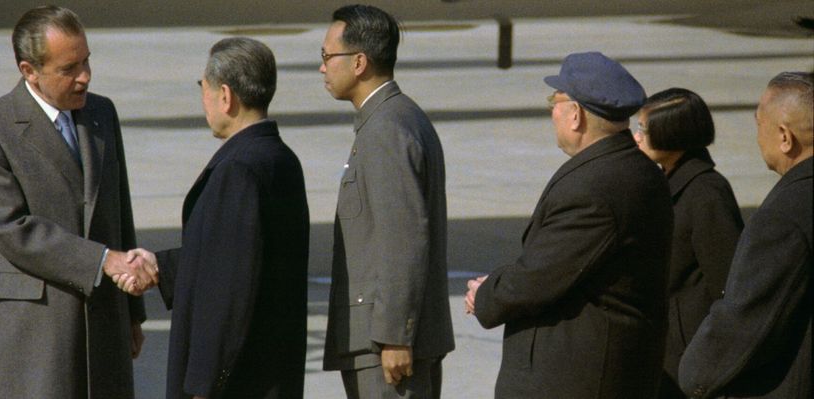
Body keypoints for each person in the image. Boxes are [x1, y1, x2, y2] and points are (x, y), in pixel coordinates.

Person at [0, 6, 156, 399]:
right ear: (29, 70)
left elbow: (118, 210)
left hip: (103, 324)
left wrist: (132, 313)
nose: (84, 77)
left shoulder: (102, 113)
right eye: (69, 69)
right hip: (36, 332)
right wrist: (103, 260)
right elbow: (11, 229)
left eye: (86, 61)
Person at [463, 51, 673, 398]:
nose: (552, 112)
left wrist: (486, 294)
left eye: (555, 102)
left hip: (578, 380)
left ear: (575, 115)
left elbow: (541, 276)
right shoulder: (631, 169)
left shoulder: (595, 187)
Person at [117, 37, 309, 399]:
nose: (202, 99)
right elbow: (239, 255)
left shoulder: (238, 169)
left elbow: (229, 291)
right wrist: (162, 266)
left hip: (236, 384)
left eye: (202, 88)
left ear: (226, 96)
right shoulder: (279, 158)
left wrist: (204, 386)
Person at [317, 5, 454, 398]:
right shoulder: (395, 118)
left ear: (359, 62)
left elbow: (404, 236)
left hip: (385, 347)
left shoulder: (387, 129)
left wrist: (395, 336)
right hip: (384, 340)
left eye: (328, 57)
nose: (323, 68)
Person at [678, 71, 813, 399]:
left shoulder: (782, 218)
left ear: (784, 136)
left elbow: (746, 320)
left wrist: (695, 376)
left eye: (758, 122)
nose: (756, 136)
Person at [632, 88, 744, 398]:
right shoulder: (665, 180)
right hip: (663, 350)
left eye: (643, 128)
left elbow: (730, 284)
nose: (636, 136)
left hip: (688, 357)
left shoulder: (706, 193)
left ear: (672, 134)